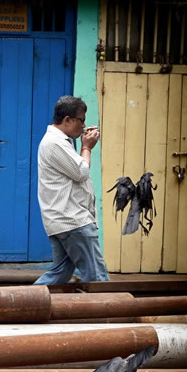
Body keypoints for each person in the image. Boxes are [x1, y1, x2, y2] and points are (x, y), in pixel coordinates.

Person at [34, 95, 109, 285]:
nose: (84, 126)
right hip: (73, 221)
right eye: (81, 121)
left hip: (63, 220)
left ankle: (20, 306)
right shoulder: (55, 143)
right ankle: (109, 313)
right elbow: (81, 171)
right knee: (97, 278)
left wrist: (82, 144)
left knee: (60, 273)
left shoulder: (61, 141)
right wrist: (87, 147)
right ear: (67, 120)